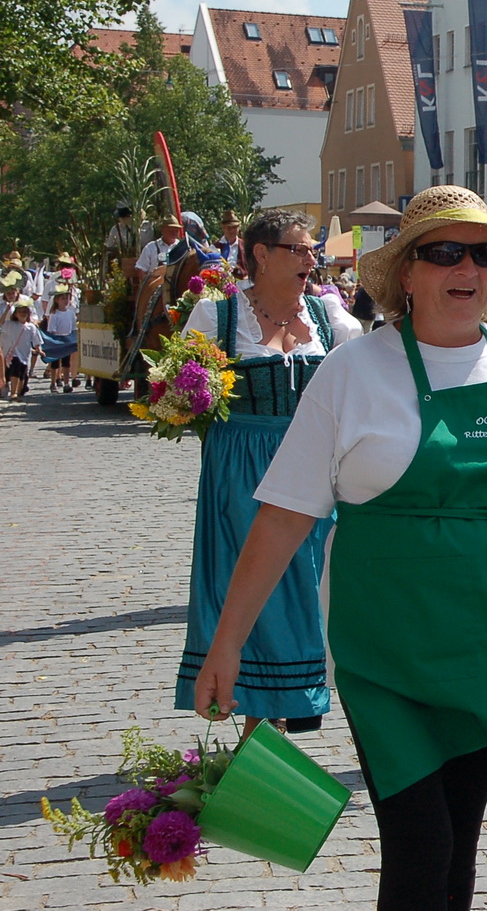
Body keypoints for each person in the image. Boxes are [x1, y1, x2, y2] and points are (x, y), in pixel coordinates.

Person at [194, 187, 487, 911]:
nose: (465, 266)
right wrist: (227, 644)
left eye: (480, 253)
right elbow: (282, 518)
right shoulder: (351, 373)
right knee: (422, 847)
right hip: (389, 655)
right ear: (406, 273)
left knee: (458, 848)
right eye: (443, 251)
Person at [175, 209, 365, 730]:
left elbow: (364, 387)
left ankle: (292, 701)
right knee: (253, 584)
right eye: (298, 249)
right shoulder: (216, 318)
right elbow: (181, 393)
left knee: (307, 581)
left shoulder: (333, 320)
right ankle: (264, 720)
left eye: (312, 250)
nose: (311, 259)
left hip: (314, 464)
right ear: (261, 254)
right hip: (241, 468)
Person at [41, 286, 79, 393]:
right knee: (55, 363)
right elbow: (51, 329)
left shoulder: (70, 314)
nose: (65, 301)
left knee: (67, 363)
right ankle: (53, 382)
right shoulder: (54, 314)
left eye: (67, 298)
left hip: (67, 340)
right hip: (57, 340)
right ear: (57, 300)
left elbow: (73, 328)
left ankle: (66, 383)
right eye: (63, 298)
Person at [2, 301, 42, 399]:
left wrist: (39, 350)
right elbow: (1, 322)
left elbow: (36, 340)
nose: (23, 313)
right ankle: (13, 393)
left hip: (25, 355)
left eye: (25, 312)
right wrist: (7, 310)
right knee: (15, 372)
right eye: (20, 311)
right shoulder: (11, 324)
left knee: (22, 375)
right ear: (15, 314)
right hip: (14, 354)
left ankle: (18, 393)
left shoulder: (31, 327)